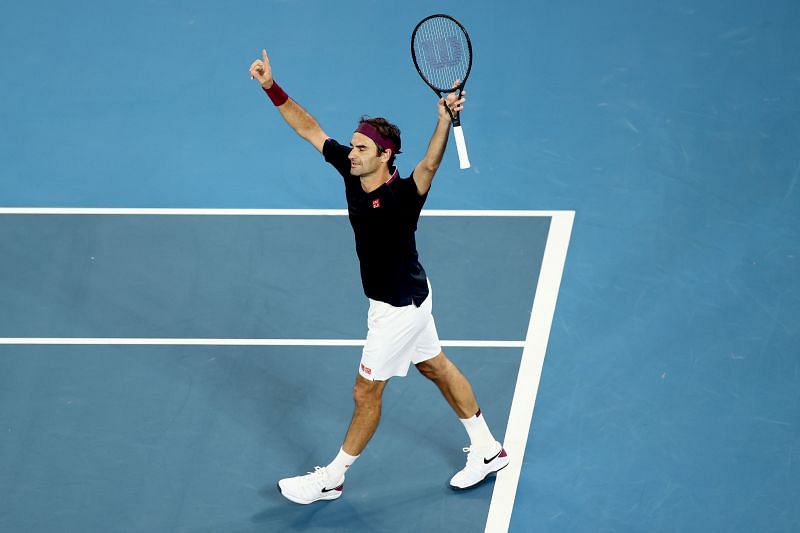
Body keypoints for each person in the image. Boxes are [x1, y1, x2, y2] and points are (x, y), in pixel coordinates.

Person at [249, 49, 509, 505]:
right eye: (353, 146)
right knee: (435, 366)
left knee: (366, 391)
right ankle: (488, 449)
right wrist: (272, 86)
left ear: (386, 156)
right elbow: (309, 127)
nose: (352, 153)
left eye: (362, 148)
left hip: (399, 310)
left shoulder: (404, 197)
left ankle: (332, 477)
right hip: (410, 295)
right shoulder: (351, 173)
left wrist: (444, 120)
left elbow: (428, 165)